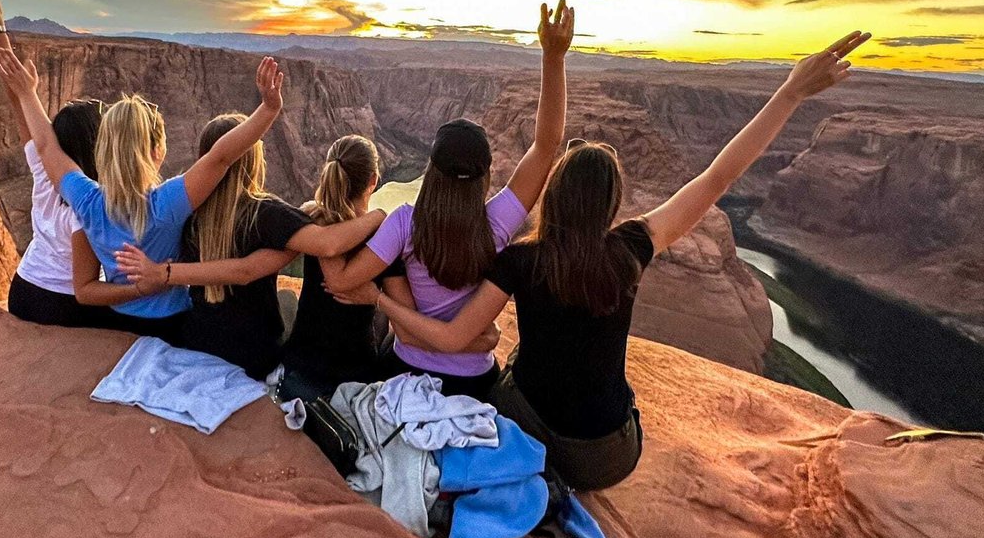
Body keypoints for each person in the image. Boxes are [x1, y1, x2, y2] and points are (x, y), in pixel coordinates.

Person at [340, 31, 872, 491]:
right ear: (612, 203)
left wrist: (381, 299)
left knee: (511, 362)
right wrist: (789, 94)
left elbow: (457, 339)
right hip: (610, 458)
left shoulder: (521, 260)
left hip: (528, 433)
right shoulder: (630, 250)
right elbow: (716, 179)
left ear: (555, 196)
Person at [322, 0, 575, 400]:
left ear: (432, 170)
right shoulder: (498, 223)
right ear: (485, 175)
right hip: (473, 382)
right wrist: (553, 56)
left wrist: (326, 221)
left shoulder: (404, 222)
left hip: (405, 371)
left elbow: (339, 282)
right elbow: (547, 146)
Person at [0, 43, 288, 345]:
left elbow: (45, 147)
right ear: (157, 150)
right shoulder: (167, 204)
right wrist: (268, 108)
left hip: (120, 322)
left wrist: (28, 93)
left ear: (103, 150)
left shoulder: (86, 200)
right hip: (170, 324)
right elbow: (221, 157)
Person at [111, 123, 390, 380]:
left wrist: (163, 273)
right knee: (289, 301)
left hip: (197, 341)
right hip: (255, 355)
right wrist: (379, 216)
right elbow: (325, 246)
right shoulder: (267, 213)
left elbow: (247, 269)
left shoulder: (184, 209)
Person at [0, 0, 124, 330]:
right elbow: (84, 287)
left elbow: (17, 94)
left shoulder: (46, 168)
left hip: (23, 289)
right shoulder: (88, 205)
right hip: (58, 305)